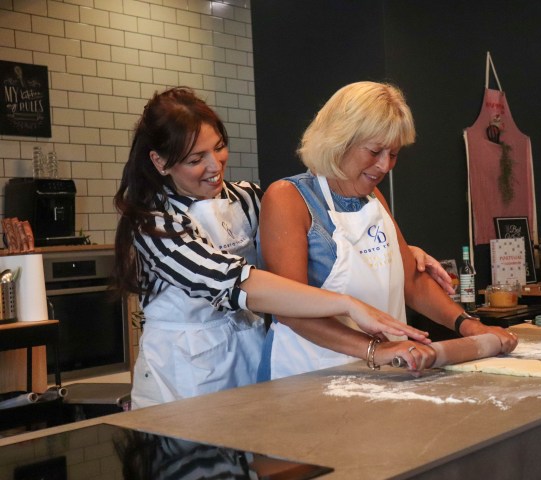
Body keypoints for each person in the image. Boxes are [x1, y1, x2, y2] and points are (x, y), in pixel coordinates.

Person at [113, 87, 432, 409]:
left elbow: (312, 235)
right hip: (183, 374)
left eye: (219, 148)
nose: (215, 166)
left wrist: (399, 251)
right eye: (196, 159)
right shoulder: (154, 224)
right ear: (160, 161)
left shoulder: (248, 197)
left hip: (249, 355)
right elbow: (234, 281)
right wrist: (348, 305)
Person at [257, 81, 519, 381]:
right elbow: (289, 311)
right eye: (375, 151)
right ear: (338, 140)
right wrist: (376, 350)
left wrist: (469, 325)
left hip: (380, 369)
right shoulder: (288, 198)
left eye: (393, 154)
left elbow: (412, 282)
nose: (384, 166)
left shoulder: (373, 198)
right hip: (308, 373)